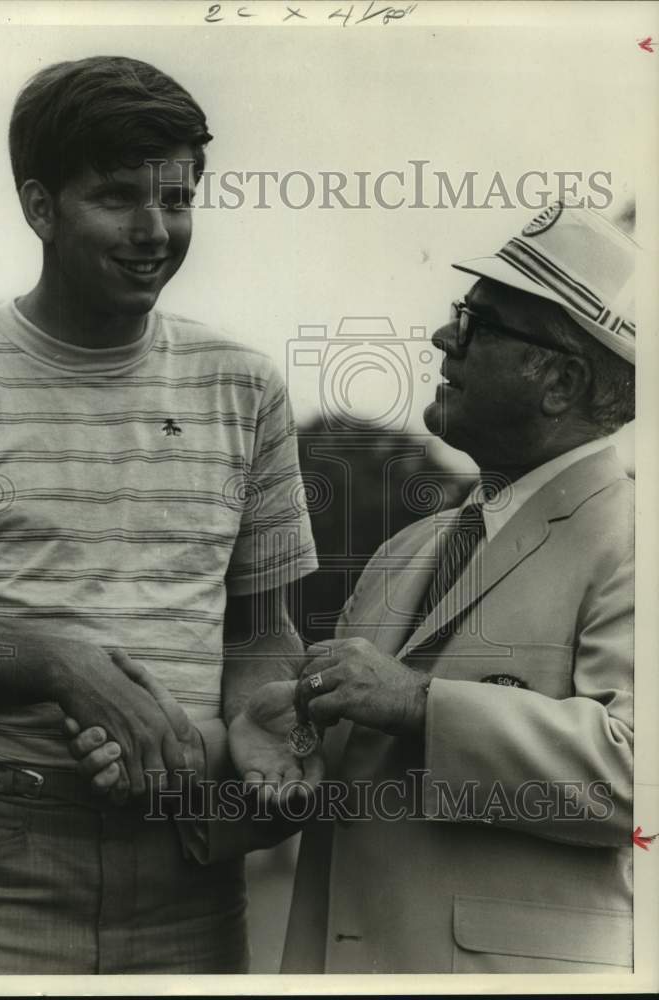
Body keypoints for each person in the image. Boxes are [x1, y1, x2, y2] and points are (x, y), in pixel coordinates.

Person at [0, 55, 318, 974]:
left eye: (178, 199)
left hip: (191, 862)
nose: (154, 231)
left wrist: (257, 722)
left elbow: (262, 634)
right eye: (119, 198)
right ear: (39, 207)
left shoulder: (244, 386)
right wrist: (58, 664)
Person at [279, 201, 636, 973]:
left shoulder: (636, 538)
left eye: (476, 323)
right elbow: (349, 774)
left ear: (561, 380)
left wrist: (416, 703)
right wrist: (278, 737)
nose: (445, 339)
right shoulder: (405, 551)